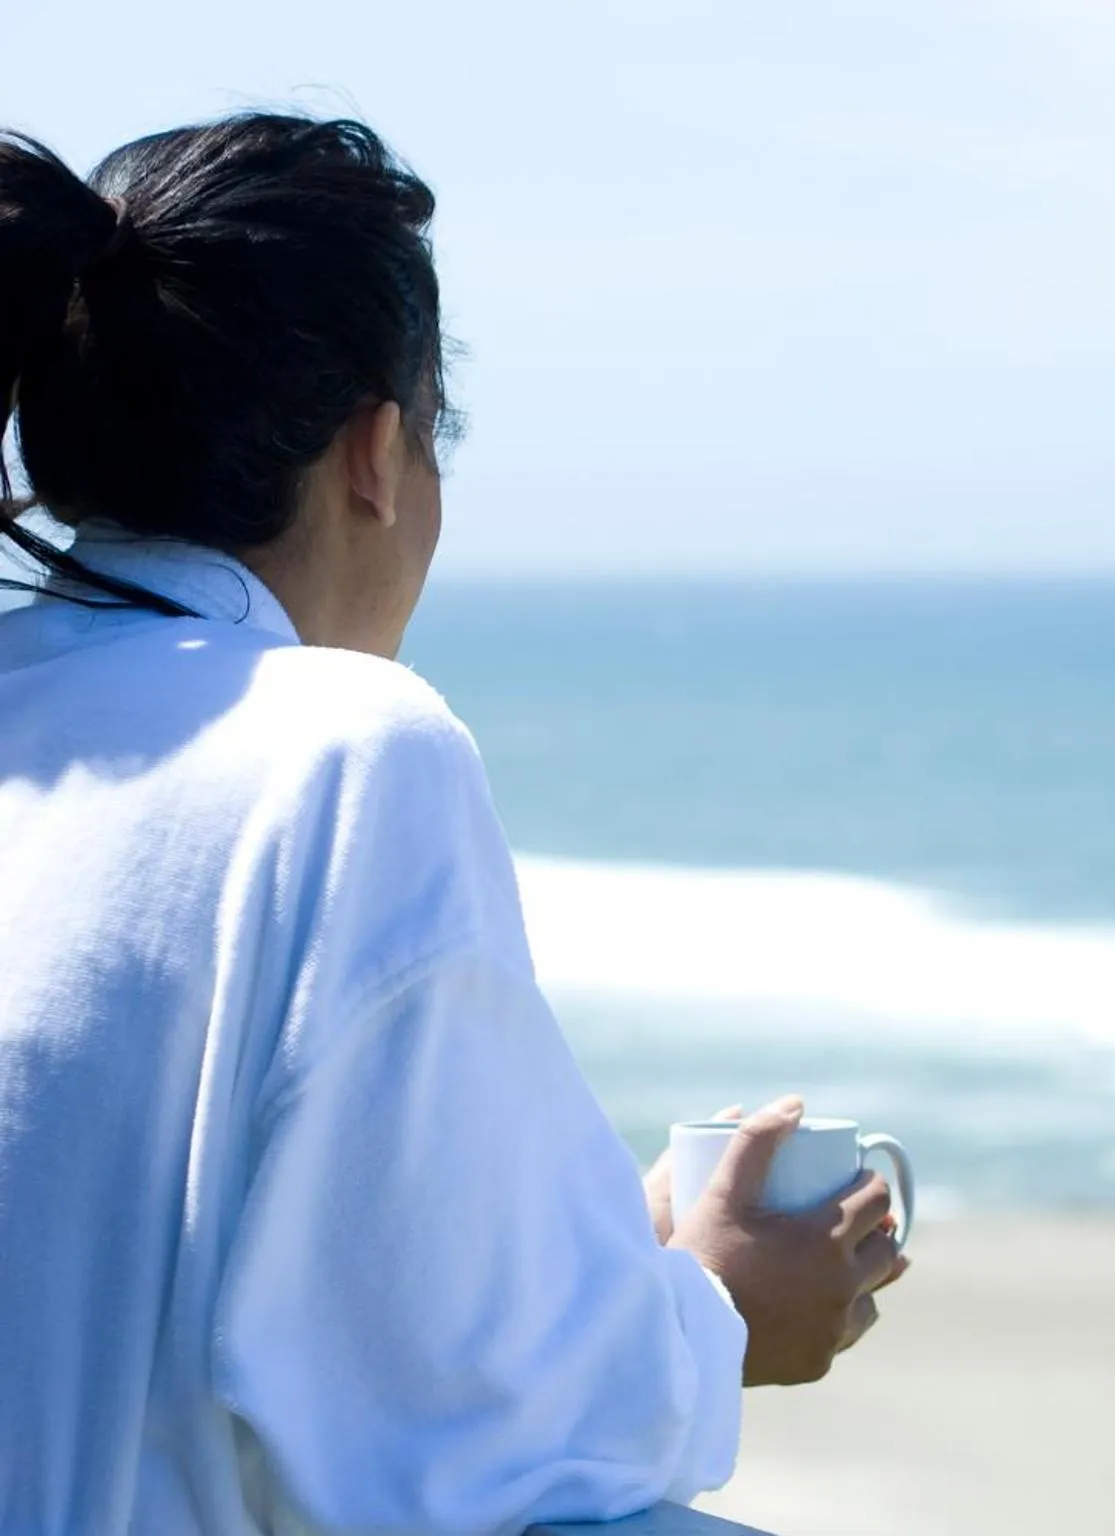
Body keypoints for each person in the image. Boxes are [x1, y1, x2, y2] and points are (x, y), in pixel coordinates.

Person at [0, 113, 904, 1535]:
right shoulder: (332, 747)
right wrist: (724, 1306)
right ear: (376, 455)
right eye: (440, 431)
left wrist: (600, 1257)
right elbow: (473, 1446)